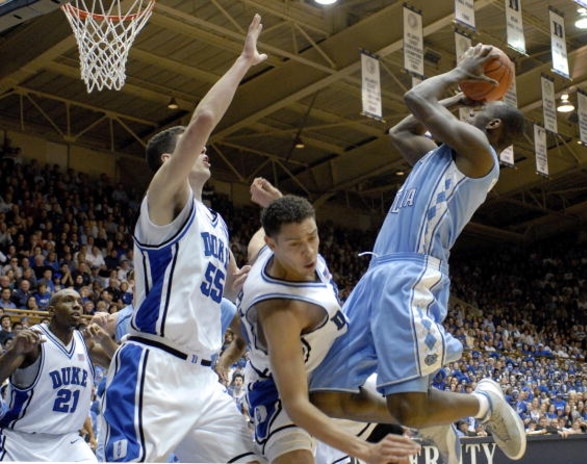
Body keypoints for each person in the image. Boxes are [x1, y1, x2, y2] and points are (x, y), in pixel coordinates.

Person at [309, 43, 527, 463]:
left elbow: (416, 99)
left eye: (479, 111)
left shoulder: (479, 157)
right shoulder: (438, 156)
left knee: (409, 407)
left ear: (493, 124)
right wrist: (461, 95)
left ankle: (484, 403)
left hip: (413, 273)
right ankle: (431, 412)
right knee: (326, 397)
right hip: (376, 275)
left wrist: (457, 72)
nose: (469, 113)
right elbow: (402, 130)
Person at [100, 14, 268, 463]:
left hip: (203, 378)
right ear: (170, 160)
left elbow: (222, 289)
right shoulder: (163, 200)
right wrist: (243, 62)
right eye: (193, 146)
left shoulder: (215, 221)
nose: (206, 150)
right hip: (154, 367)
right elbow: (205, 119)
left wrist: (245, 281)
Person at [237, 179, 420, 464]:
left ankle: (445, 417)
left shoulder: (269, 249)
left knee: (399, 451)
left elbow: (264, 239)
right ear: (274, 245)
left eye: (312, 237)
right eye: (296, 244)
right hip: (281, 391)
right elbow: (296, 403)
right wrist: (364, 451)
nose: (309, 251)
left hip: (330, 373)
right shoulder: (279, 310)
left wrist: (274, 203)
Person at [0, 288, 109, 461]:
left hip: (69, 441)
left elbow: (121, 365)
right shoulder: (33, 341)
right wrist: (13, 352)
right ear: (52, 310)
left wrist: (106, 337)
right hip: (22, 443)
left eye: (79, 303)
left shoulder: (85, 344)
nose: (76, 306)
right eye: (68, 301)